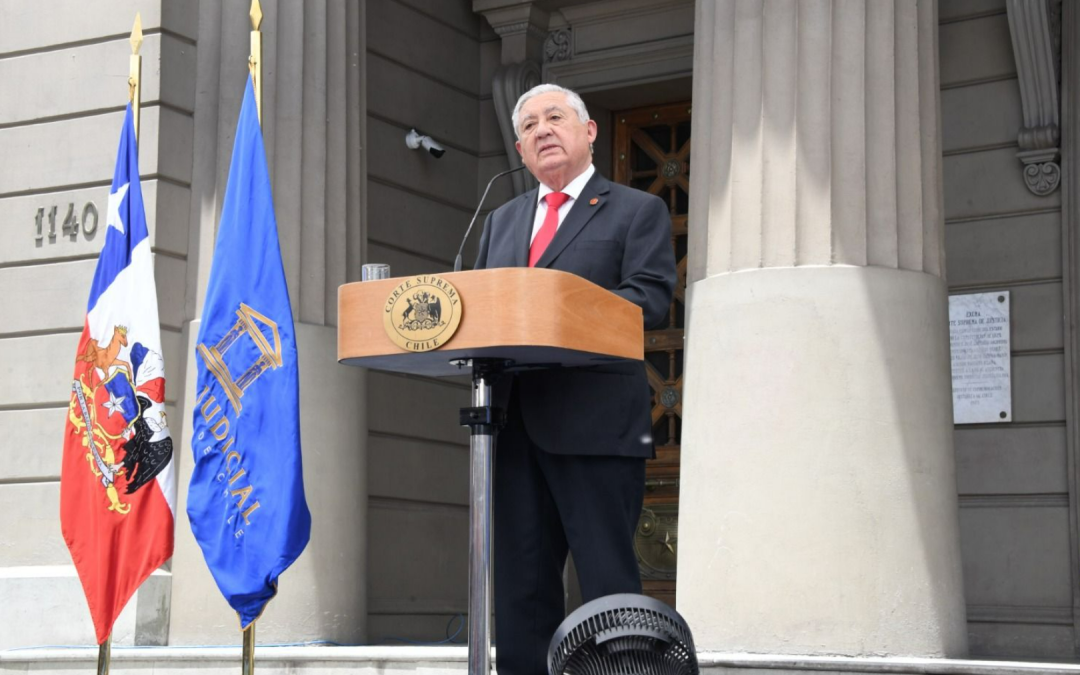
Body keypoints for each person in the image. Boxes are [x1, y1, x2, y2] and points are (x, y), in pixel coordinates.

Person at [474, 84, 677, 675]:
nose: (543, 130)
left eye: (555, 117)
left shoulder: (638, 210)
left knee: (608, 585)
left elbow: (648, 301)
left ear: (589, 132)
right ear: (519, 146)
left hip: (595, 429)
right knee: (521, 592)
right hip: (512, 431)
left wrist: (555, 310)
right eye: (530, 124)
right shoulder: (502, 220)